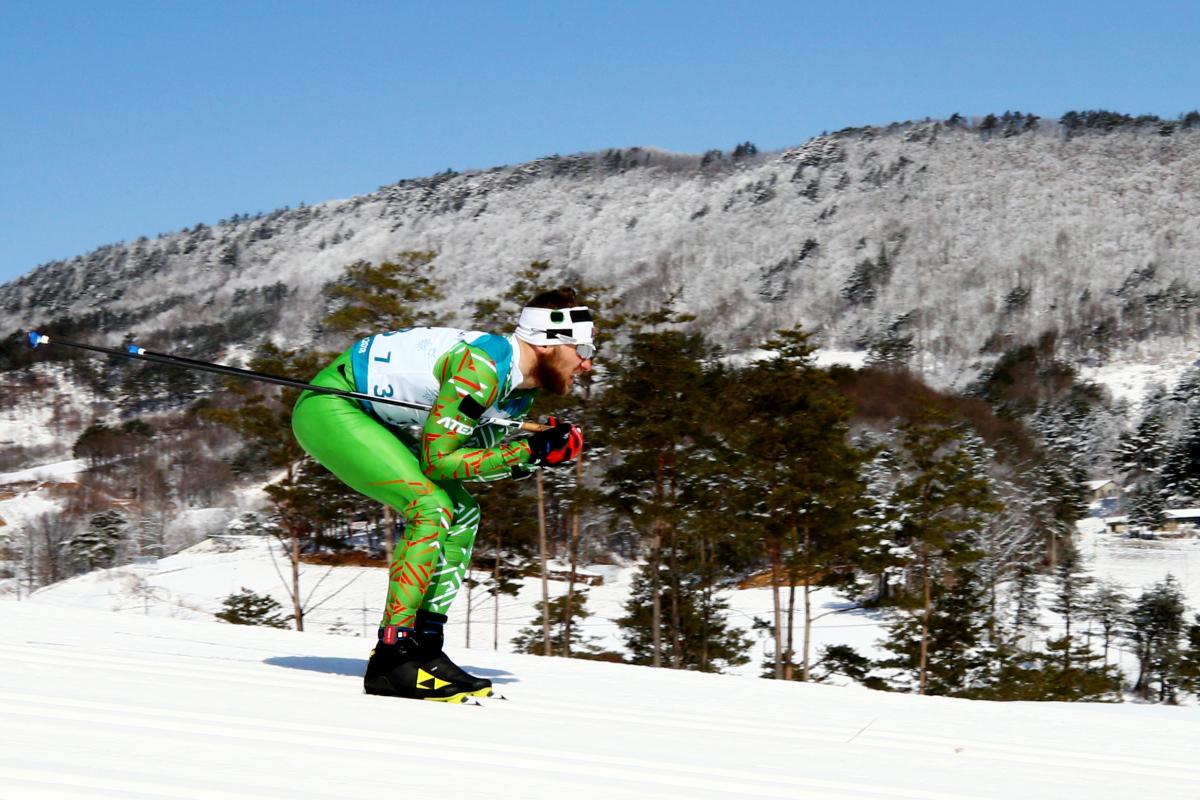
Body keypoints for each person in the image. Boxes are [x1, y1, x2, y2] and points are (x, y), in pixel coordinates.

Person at [291, 287, 594, 702]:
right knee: (429, 505)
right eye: (581, 348)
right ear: (545, 343)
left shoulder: (518, 391)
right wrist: (529, 450)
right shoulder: (483, 370)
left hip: (374, 416)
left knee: (463, 511)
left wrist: (536, 457)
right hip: (332, 407)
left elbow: (475, 459)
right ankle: (391, 657)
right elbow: (439, 462)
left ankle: (424, 647)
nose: (587, 363)